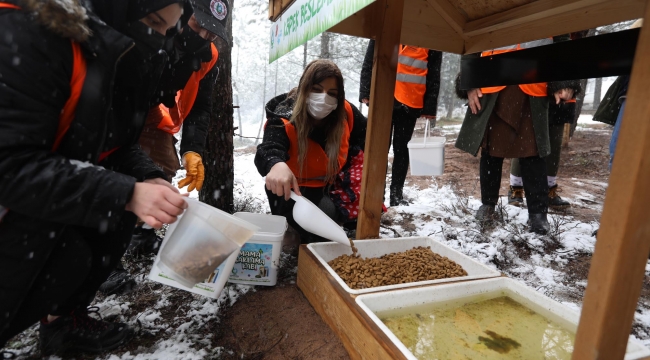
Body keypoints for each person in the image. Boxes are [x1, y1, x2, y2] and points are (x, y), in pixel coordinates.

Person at [0, 0, 186, 356]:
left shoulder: (104, 56)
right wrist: (126, 192)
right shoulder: (31, 36)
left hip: (35, 211)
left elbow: (112, 141)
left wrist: (146, 177)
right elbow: (9, 165)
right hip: (16, 215)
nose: (159, 39)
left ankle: (63, 323)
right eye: (152, 21)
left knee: (77, 254)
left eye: (168, 30)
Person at [99, 0, 230, 295]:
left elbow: (200, 107)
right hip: (121, 108)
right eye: (199, 26)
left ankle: (141, 236)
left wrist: (193, 149)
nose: (204, 38)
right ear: (183, 15)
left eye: (212, 33)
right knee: (120, 174)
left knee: (162, 168)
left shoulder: (207, 55)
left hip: (156, 113)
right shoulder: (156, 32)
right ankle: (107, 260)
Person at [455, 38, 581, 234]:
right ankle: (488, 205)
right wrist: (469, 82)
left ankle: (538, 215)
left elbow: (561, 39)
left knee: (533, 152)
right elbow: (472, 38)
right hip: (493, 81)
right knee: (491, 150)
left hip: (534, 83)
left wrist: (564, 80)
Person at [255, 60, 368, 243]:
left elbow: (366, 136)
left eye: (332, 93)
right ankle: (298, 235)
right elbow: (268, 149)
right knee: (323, 221)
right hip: (293, 193)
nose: (324, 98)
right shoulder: (283, 118)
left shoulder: (344, 112)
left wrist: (358, 169)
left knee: (364, 205)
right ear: (304, 89)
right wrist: (276, 164)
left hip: (332, 185)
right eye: (316, 89)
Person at [359, 40, 442, 206]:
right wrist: (365, 91)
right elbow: (370, 60)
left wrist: (430, 107)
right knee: (379, 149)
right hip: (383, 96)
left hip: (411, 101)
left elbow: (433, 72)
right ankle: (377, 193)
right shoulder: (386, 27)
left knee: (402, 150)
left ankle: (396, 194)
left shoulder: (430, 37)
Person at [508, 98, 576, 209]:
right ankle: (516, 189)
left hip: (559, 98)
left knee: (554, 146)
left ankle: (549, 190)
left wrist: (569, 85)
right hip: (532, 94)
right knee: (524, 141)